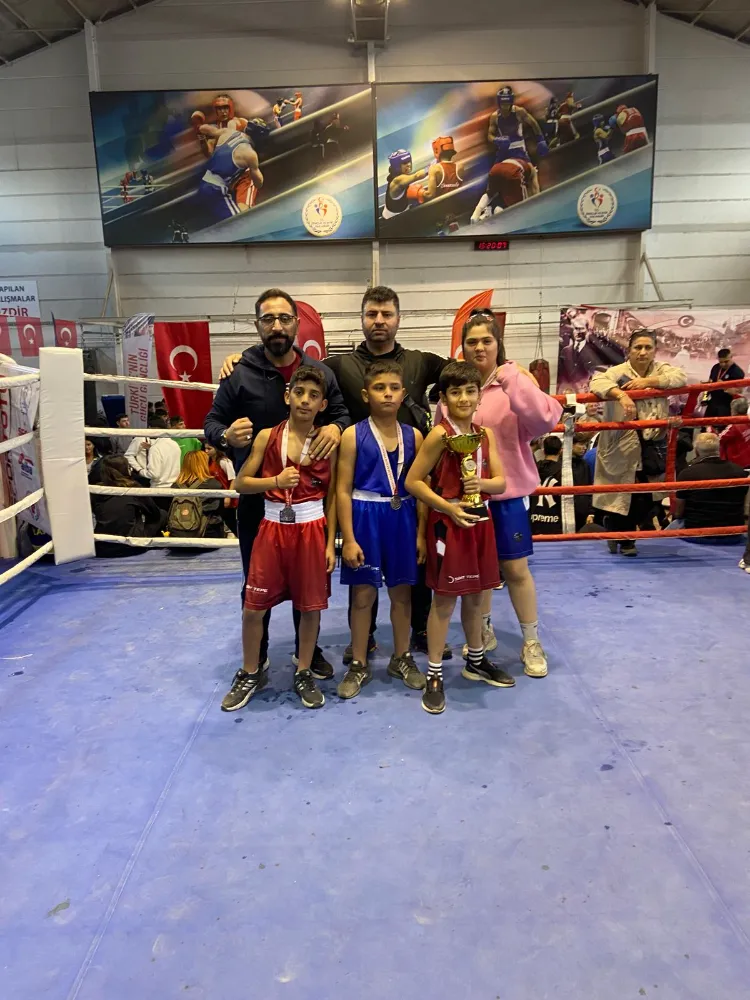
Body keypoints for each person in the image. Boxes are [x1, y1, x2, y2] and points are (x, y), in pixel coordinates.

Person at [205, 288, 349, 680]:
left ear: (296, 324)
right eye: (268, 319)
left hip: (308, 502)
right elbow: (212, 421)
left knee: (308, 584)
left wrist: (336, 427)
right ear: (257, 325)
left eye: (284, 318)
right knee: (255, 584)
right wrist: (225, 436)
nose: (277, 326)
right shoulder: (240, 371)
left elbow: (341, 412)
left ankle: (307, 654)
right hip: (259, 499)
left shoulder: (320, 372)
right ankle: (259, 657)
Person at [324, 286, 449, 659]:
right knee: (362, 581)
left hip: (410, 480)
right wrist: (244, 356)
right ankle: (363, 642)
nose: (379, 320)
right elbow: (300, 374)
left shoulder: (420, 361)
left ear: (398, 318)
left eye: (386, 314)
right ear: (362, 319)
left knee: (412, 574)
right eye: (372, 314)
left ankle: (418, 633)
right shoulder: (340, 365)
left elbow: (465, 373)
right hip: (364, 485)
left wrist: (506, 369)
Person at [222, 366, 338, 712]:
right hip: (272, 527)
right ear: (288, 396)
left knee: (310, 607)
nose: (305, 400)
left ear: (322, 404)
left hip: (312, 528)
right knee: (253, 607)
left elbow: (334, 496)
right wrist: (274, 482)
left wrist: (330, 543)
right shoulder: (266, 436)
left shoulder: (328, 443)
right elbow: (240, 484)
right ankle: (250, 671)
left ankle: (304, 671)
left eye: (313, 396)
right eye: (299, 392)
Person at [459, 314, 563, 677]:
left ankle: (531, 640)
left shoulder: (515, 380)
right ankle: (484, 629)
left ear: (498, 344)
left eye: (486, 340)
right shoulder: (459, 388)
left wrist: (513, 379)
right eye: (472, 341)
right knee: (480, 571)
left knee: (516, 570)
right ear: (462, 347)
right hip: (471, 497)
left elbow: (547, 419)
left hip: (508, 496)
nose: (479, 347)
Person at [405, 361, 511, 715]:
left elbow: (501, 483)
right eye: (455, 392)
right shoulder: (439, 434)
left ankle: (476, 660)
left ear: (479, 395)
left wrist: (480, 483)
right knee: (444, 601)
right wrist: (447, 508)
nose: (463, 398)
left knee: (478, 598)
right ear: (444, 398)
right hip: (448, 523)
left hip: (481, 520)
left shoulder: (485, 434)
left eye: (469, 391)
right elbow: (413, 481)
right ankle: (434, 673)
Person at [336, 361, 426, 700]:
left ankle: (401, 656)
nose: (387, 393)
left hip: (402, 516)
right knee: (363, 595)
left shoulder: (414, 436)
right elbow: (342, 489)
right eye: (379, 387)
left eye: (393, 388)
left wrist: (421, 534)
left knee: (402, 593)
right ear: (366, 394)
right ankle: (358, 662)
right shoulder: (352, 435)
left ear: (403, 394)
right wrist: (348, 538)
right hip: (365, 516)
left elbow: (421, 487)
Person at [590, 330, 687, 556]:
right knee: (623, 495)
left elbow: (680, 377)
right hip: (622, 445)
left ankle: (616, 531)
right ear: (629, 350)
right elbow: (597, 382)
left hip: (652, 445)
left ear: (654, 350)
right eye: (638, 347)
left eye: (648, 348)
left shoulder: (661, 369)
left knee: (648, 497)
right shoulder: (617, 372)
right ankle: (626, 541)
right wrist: (621, 395)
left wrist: (648, 382)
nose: (642, 352)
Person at [669, 433, 748, 540]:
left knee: (665, 533)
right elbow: (742, 504)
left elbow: (678, 513)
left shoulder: (687, 474)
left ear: (696, 451)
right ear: (718, 449)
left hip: (697, 532)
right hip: (733, 532)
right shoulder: (740, 472)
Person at [91, 455, 165, 557]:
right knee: (162, 514)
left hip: (102, 547)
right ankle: (157, 542)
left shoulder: (96, 490)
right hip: (130, 547)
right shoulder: (133, 488)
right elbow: (155, 514)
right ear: (125, 469)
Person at [168, 449, 225, 539]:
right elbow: (221, 511)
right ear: (204, 464)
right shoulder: (213, 484)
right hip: (206, 534)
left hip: (178, 534)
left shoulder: (175, 486)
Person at [126, 414, 182, 497]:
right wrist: (138, 468)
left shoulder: (158, 446)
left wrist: (140, 471)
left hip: (157, 483)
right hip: (165, 483)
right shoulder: (174, 444)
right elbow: (128, 455)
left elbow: (154, 473)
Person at [381, 149, 427, 220]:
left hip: (400, 215)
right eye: (405, 163)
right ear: (397, 166)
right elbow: (417, 176)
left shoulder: (396, 177)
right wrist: (432, 168)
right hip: (392, 221)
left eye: (409, 161)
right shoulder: (397, 180)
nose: (409, 165)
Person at [205, 441, 238, 535]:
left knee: (230, 520)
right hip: (216, 497)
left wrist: (228, 496)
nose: (206, 451)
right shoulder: (208, 461)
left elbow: (233, 479)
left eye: (209, 448)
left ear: (216, 449)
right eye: (205, 448)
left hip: (226, 495)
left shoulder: (224, 462)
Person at [705, 348, 745, 421]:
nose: (723, 364)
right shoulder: (715, 367)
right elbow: (709, 383)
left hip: (726, 405)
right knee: (705, 425)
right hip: (712, 402)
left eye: (726, 361)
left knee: (721, 426)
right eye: (721, 362)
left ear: (731, 357)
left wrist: (723, 386)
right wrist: (704, 398)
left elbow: (738, 391)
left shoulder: (738, 372)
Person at [424, 136, 463, 201]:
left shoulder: (434, 169)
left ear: (437, 151)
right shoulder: (460, 167)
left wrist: (419, 192)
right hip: (458, 204)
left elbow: (430, 195)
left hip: (441, 206)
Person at [719, 398, 750, 468]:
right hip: (746, 459)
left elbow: (719, 439)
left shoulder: (734, 426)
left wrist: (709, 429)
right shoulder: (747, 420)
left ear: (733, 410)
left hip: (737, 462)